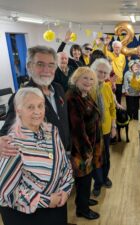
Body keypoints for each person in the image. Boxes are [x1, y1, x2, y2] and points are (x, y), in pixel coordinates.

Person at [0, 87, 74, 225]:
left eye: (40, 106)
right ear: (18, 110)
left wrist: (65, 189)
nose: (37, 112)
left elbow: (65, 165)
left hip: (57, 206)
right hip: (26, 216)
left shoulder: (52, 131)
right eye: (30, 107)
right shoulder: (12, 143)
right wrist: (45, 201)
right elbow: (7, 192)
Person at [0, 45, 70, 157]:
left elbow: (63, 120)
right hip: (43, 160)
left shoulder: (59, 89)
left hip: (64, 154)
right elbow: (7, 130)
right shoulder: (21, 96)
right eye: (40, 64)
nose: (46, 70)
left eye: (51, 65)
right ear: (29, 66)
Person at [66, 67, 101, 220]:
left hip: (89, 145)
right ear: (76, 79)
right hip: (80, 148)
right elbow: (77, 129)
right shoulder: (72, 98)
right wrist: (87, 152)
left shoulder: (84, 94)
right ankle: (82, 209)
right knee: (84, 178)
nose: (88, 82)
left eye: (91, 79)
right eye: (84, 78)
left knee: (86, 178)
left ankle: (83, 200)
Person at [90, 58, 117, 196]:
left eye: (104, 72)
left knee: (106, 156)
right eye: (99, 71)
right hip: (92, 131)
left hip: (106, 129)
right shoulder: (88, 87)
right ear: (93, 70)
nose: (101, 74)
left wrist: (113, 127)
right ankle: (97, 182)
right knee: (95, 157)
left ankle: (105, 177)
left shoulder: (107, 87)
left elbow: (112, 109)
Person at [103, 40, 126, 104]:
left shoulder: (123, 56)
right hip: (110, 82)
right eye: (115, 47)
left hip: (119, 82)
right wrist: (105, 45)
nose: (117, 48)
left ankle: (118, 114)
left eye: (118, 47)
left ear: (121, 48)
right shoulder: (109, 54)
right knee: (110, 100)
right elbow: (104, 52)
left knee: (118, 101)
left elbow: (123, 68)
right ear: (113, 47)